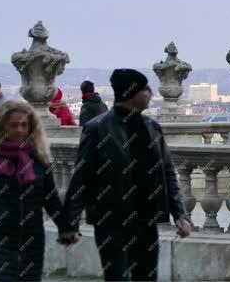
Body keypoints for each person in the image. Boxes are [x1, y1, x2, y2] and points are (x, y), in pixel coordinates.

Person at [64, 68, 192, 281]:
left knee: (147, 277)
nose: (150, 93)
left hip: (146, 217)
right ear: (131, 93)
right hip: (111, 219)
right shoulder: (97, 128)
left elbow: (167, 172)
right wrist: (71, 222)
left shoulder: (152, 127)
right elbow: (82, 177)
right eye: (146, 89)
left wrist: (180, 213)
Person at [0, 101, 78, 281]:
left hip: (31, 241)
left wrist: (66, 228)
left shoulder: (39, 159)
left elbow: (50, 199)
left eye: (24, 125)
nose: (19, 130)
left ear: (31, 127)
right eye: (13, 125)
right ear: (1, 126)